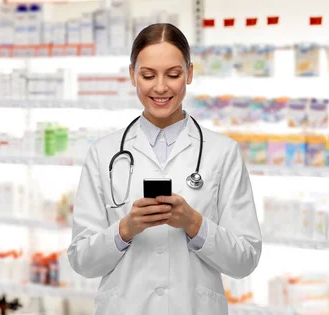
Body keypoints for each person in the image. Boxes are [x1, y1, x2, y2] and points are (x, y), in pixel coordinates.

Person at [67, 23, 262, 315]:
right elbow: (81, 260)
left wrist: (195, 223)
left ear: (190, 73)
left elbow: (245, 260)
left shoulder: (222, 152)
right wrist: (125, 229)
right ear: (132, 75)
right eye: (148, 75)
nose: (160, 87)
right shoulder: (104, 153)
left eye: (173, 74)